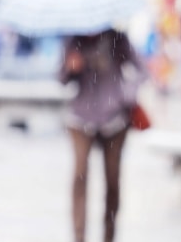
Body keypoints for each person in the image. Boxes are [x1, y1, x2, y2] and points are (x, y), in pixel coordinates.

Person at [59, 28, 148, 242]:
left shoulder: (119, 38)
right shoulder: (73, 40)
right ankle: (78, 236)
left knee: (112, 178)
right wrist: (70, 68)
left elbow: (142, 70)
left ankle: (110, 234)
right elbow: (61, 78)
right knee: (79, 175)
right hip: (81, 116)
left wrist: (127, 93)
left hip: (114, 117)